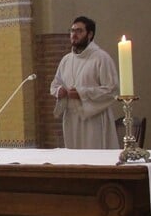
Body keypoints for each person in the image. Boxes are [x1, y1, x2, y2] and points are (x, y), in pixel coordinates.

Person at [50, 15, 119, 149]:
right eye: (72, 31)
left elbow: (112, 90)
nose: (74, 35)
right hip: (71, 118)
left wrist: (81, 93)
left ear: (90, 34)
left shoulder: (101, 58)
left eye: (79, 31)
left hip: (94, 119)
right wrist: (60, 91)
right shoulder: (66, 60)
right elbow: (55, 85)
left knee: (94, 158)